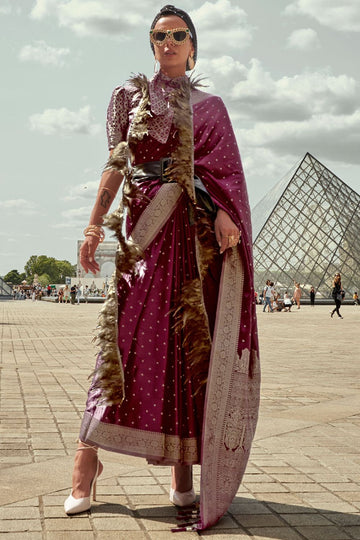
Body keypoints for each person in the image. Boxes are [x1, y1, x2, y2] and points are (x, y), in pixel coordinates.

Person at [63, 5, 260, 532]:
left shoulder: (211, 107)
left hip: (192, 248)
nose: (169, 43)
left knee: (185, 351)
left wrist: (224, 212)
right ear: (151, 46)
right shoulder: (129, 98)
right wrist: (92, 226)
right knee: (122, 344)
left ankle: (181, 476)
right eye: (159, 36)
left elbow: (226, 175)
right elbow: (116, 163)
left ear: (194, 46)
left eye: (178, 35)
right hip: (143, 238)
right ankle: (86, 461)